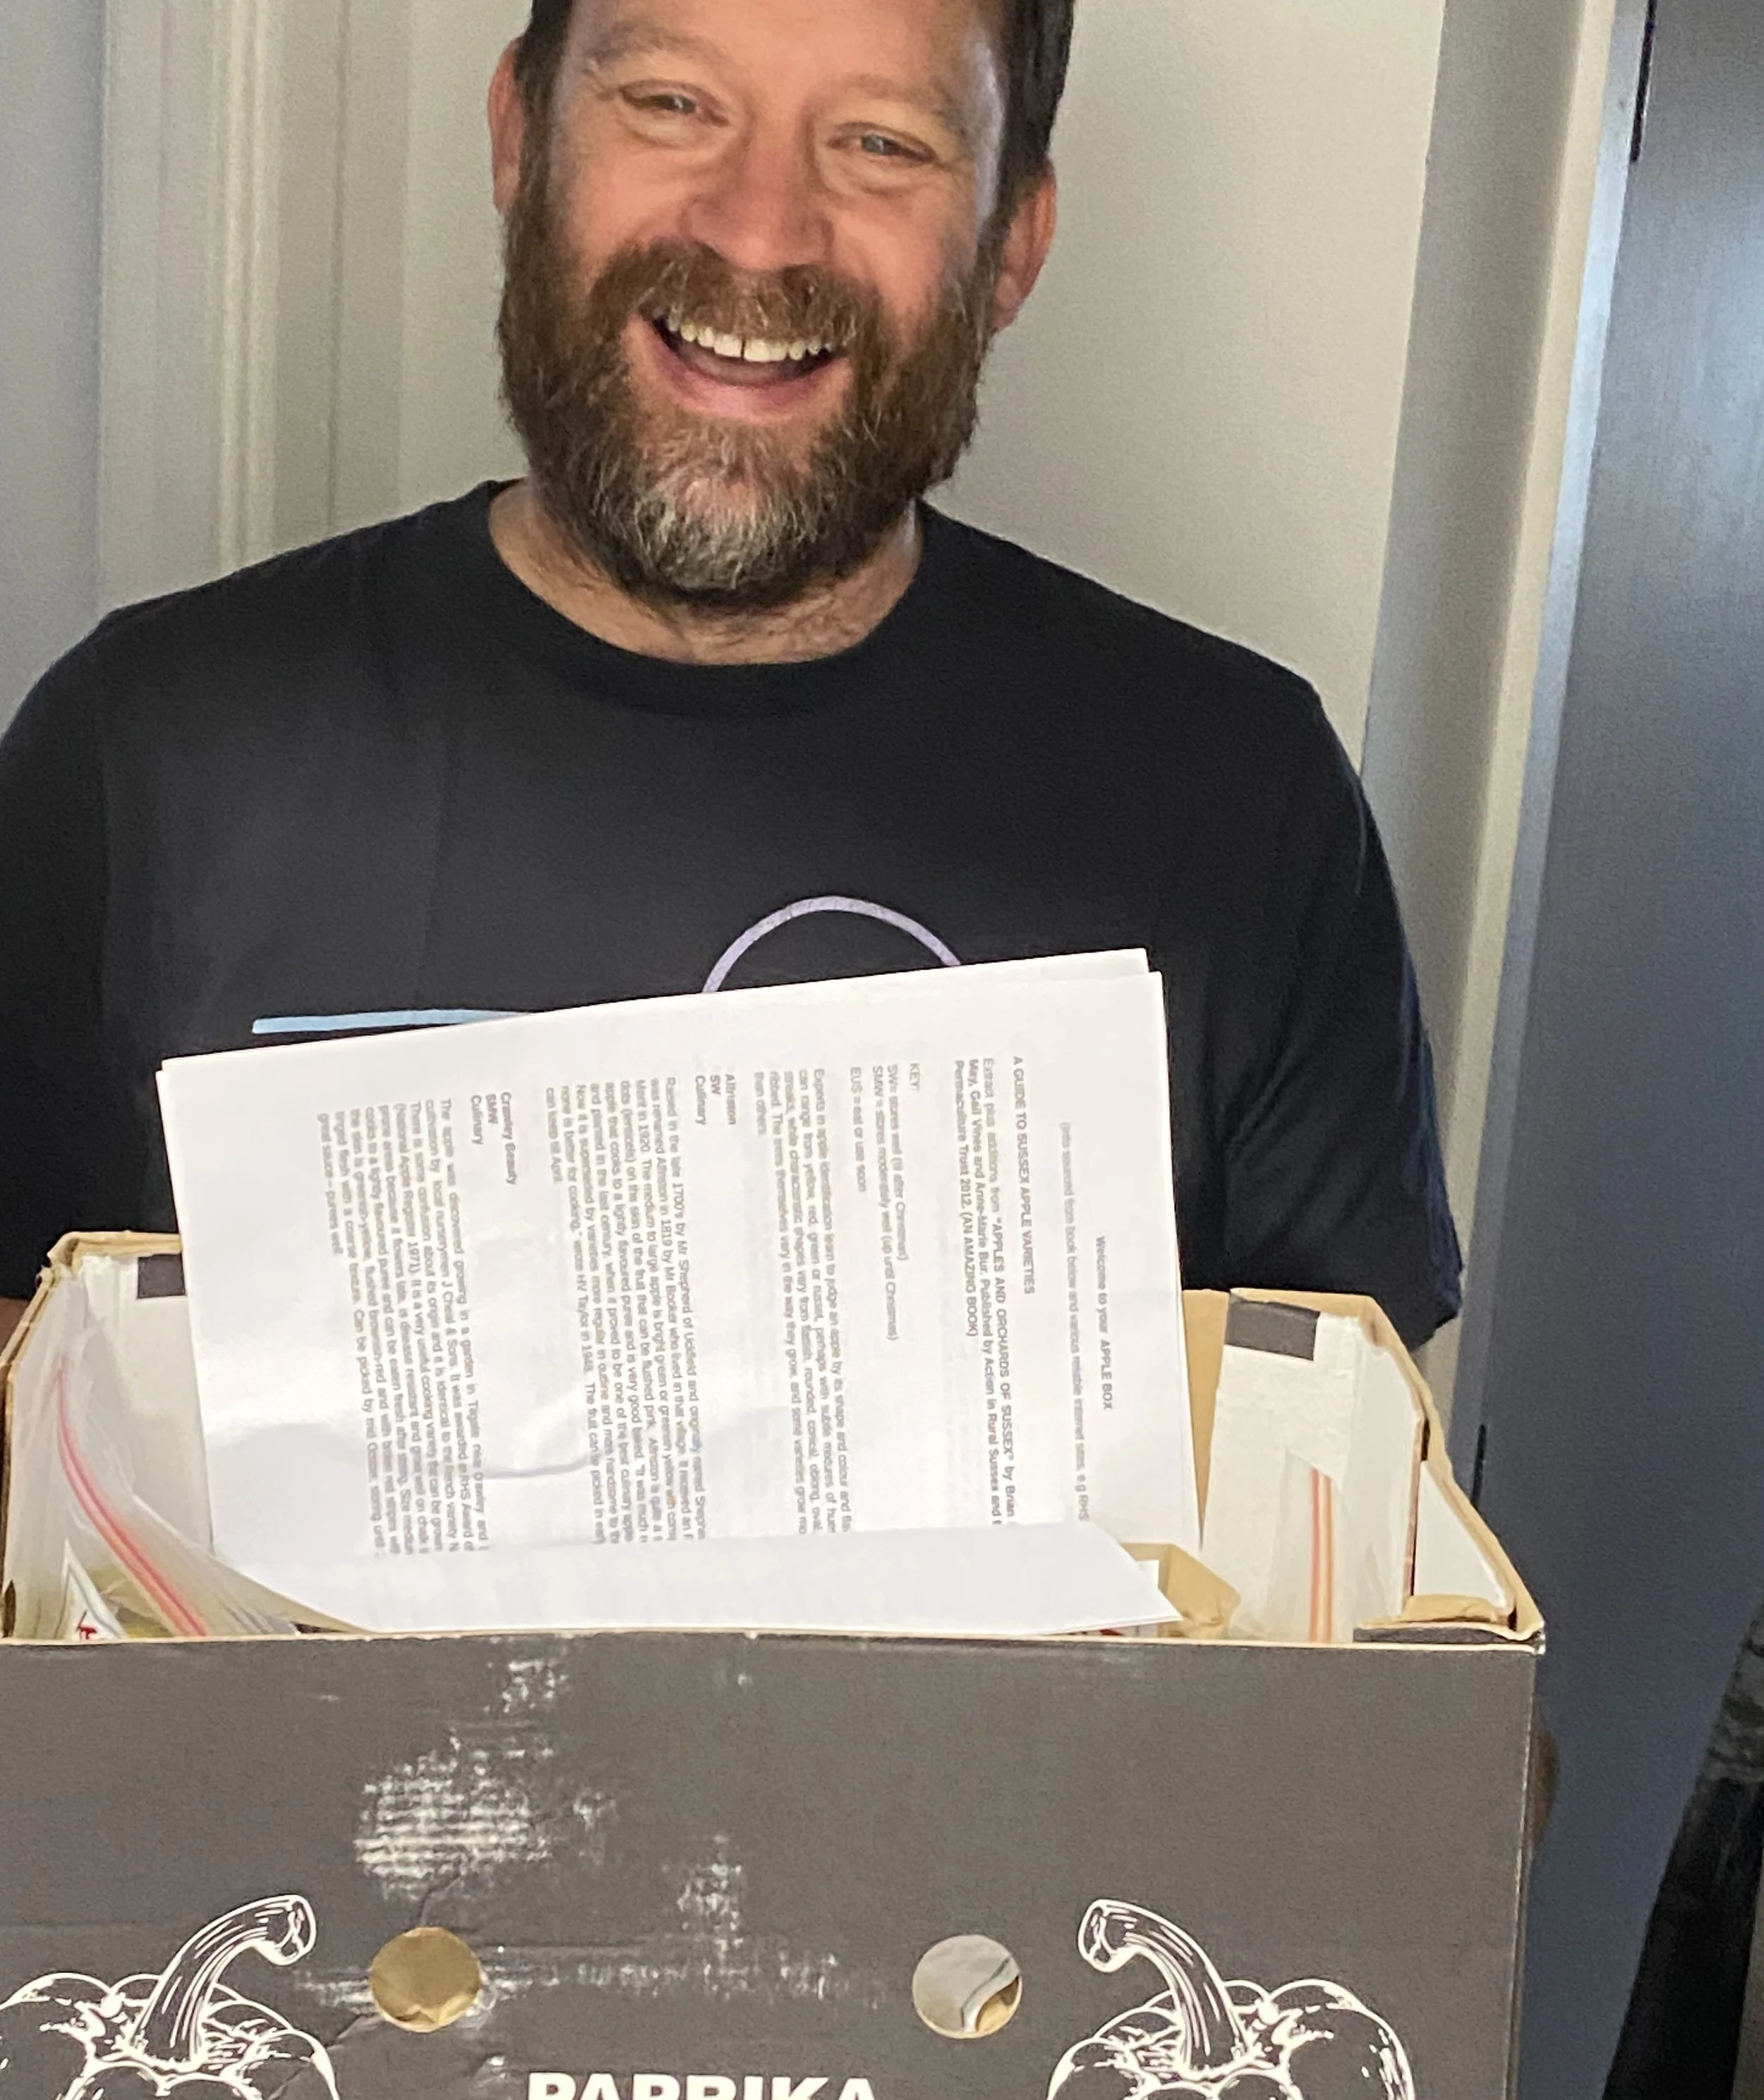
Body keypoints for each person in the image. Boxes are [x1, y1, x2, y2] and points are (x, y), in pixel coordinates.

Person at [0, 0, 1461, 1352]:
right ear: (520, 137)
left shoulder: (1239, 804)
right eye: (670, 102)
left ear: (1011, 241)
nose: (760, 231)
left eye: (879, 143)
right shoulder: (143, 755)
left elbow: (1323, 1546)